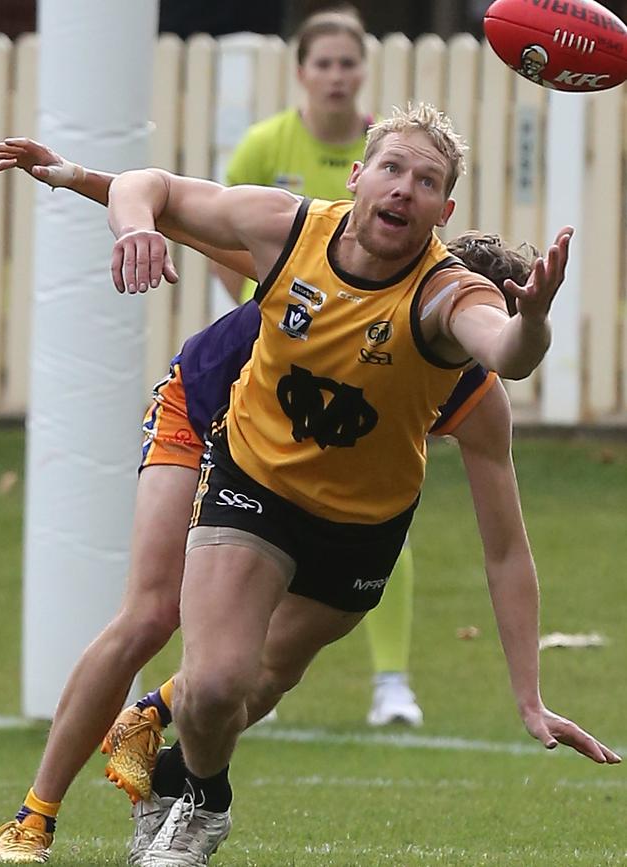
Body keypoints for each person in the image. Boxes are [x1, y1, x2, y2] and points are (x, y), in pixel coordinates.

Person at [0, 127, 620, 866]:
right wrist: (89, 188)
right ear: (358, 178)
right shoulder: (300, 238)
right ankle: (38, 815)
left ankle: (166, 749)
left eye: (426, 180)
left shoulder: (463, 353)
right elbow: (176, 207)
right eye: (391, 169)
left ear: (442, 222)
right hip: (221, 429)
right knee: (162, 621)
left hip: (352, 521)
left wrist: (531, 323)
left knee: (249, 686)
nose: (404, 188)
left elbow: (506, 525)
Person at [215, 3, 423, 728]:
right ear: (301, 71)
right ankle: (235, 663)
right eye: (323, 63)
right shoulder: (263, 144)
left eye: (348, 63)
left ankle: (391, 680)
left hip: (370, 358)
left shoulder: (393, 157)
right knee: (257, 508)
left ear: (364, 70)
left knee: (378, 512)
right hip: (275, 350)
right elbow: (233, 244)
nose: (336, 76)